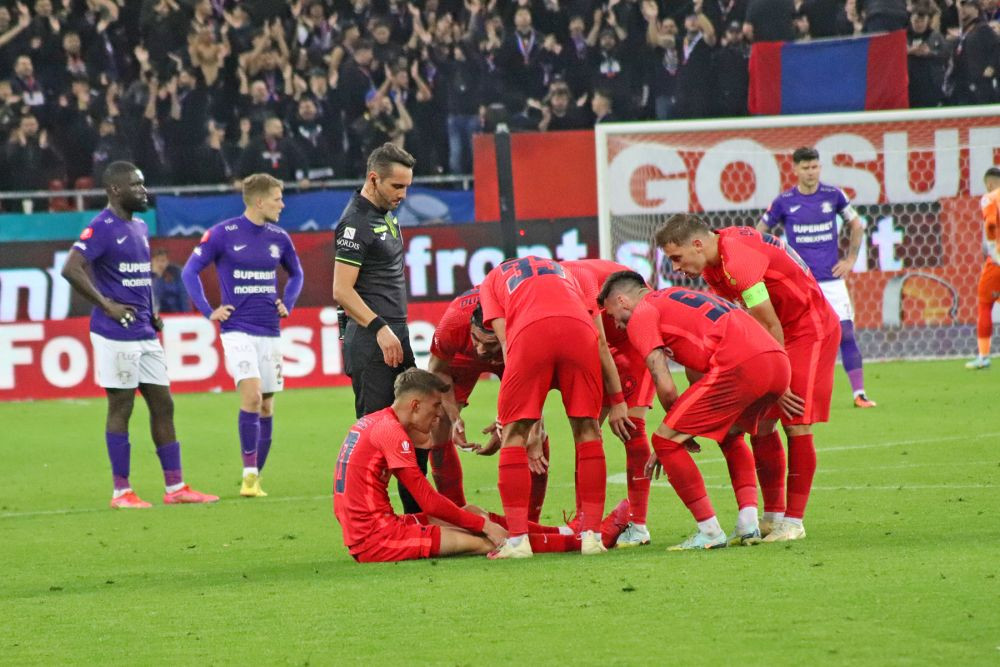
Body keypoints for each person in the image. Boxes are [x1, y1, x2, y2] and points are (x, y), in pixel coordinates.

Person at [655, 215, 841, 542]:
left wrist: (778, 381)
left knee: (795, 421)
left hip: (809, 328)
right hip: (779, 332)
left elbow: (769, 325)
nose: (676, 268)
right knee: (762, 423)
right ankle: (772, 516)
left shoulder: (737, 261)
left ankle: (793, 523)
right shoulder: (715, 266)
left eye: (677, 257)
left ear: (698, 244)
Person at [333, 368, 631, 562]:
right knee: (487, 541)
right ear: (415, 405)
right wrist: (484, 526)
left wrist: (478, 520)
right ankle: (584, 541)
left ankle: (567, 533)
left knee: (472, 512)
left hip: (380, 526)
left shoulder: (374, 422)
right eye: (436, 407)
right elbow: (428, 500)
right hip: (377, 540)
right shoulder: (391, 433)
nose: (438, 416)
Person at [60, 161, 218, 509]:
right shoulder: (101, 227)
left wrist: (154, 312)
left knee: (163, 404)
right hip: (114, 333)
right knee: (122, 406)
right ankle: (121, 492)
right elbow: (70, 268)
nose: (143, 191)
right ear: (115, 190)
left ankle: (175, 487)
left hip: (144, 330)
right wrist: (106, 305)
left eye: (143, 184)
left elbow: (139, 277)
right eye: (136, 185)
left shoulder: (140, 227)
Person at [599, 272, 791, 549]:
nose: (614, 323)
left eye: (612, 313)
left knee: (664, 440)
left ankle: (710, 532)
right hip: (775, 361)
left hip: (740, 364)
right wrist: (685, 425)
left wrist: (675, 436)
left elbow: (663, 383)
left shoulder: (642, 315)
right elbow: (696, 371)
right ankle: (748, 524)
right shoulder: (675, 298)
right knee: (732, 434)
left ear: (622, 300)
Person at [181, 173, 304, 497]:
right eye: (278, 198)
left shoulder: (280, 237)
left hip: (270, 329)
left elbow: (297, 274)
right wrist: (209, 310)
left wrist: (286, 302)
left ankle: (255, 477)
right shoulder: (223, 234)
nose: (283, 203)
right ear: (260, 201)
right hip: (237, 329)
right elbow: (189, 271)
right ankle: (249, 475)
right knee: (251, 394)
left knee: (266, 406)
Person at [478, 255, 607, 559]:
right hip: (580, 330)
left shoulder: (493, 279)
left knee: (514, 434)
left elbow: (507, 342)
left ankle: (519, 541)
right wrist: (616, 398)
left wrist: (526, 417)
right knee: (589, 429)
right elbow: (600, 339)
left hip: (530, 332)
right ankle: (592, 537)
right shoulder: (563, 270)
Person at [333, 142, 421, 511]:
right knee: (377, 434)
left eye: (407, 187)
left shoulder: (385, 213)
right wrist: (380, 328)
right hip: (372, 339)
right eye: (396, 187)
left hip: (394, 332)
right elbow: (341, 290)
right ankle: (371, 517)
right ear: (374, 179)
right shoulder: (354, 222)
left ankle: (418, 514)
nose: (403, 195)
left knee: (417, 423)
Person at [757, 147, 876, 408]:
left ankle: (859, 393)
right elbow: (759, 233)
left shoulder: (833, 195)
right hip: (798, 282)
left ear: (819, 168)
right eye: (806, 168)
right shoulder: (784, 201)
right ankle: (785, 391)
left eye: (815, 167)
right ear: (795, 170)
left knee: (845, 333)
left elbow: (857, 224)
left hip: (831, 280)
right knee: (793, 337)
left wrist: (851, 259)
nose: (811, 172)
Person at [562, 259, 654, 547]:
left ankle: (638, 525)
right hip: (594, 340)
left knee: (632, 428)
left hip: (631, 336)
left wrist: (617, 402)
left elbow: (603, 339)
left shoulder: (574, 279)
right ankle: (584, 520)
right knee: (586, 431)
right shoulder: (548, 289)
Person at [965, 166, 1000, 369]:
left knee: (985, 304)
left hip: (996, 262)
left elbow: (990, 224)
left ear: (988, 183)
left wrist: (994, 251)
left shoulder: (990, 197)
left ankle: (984, 357)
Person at [151, 248, 188, 314]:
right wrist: (157, 276)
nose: (160, 264)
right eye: (157, 261)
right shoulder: (146, 275)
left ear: (167, 262)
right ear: (152, 262)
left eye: (162, 261)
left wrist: (186, 315)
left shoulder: (176, 273)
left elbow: (183, 296)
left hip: (173, 313)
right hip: (153, 314)